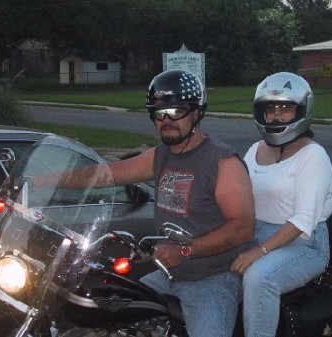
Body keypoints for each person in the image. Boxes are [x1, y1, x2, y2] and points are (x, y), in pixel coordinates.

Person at [108, 69, 255, 337]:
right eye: (158, 113)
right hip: (168, 273)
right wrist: (43, 179)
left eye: (176, 112)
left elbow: (243, 228)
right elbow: (106, 174)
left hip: (213, 278)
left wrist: (184, 251)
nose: (166, 120)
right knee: (115, 314)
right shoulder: (162, 154)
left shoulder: (222, 161)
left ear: (197, 113)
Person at [230, 72, 332, 337]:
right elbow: (239, 197)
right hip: (255, 235)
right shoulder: (254, 150)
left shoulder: (313, 156)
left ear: (301, 111)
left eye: (285, 108)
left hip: (303, 244)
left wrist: (259, 252)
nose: (276, 115)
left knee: (259, 277)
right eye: (270, 108)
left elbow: (303, 221)